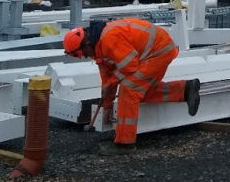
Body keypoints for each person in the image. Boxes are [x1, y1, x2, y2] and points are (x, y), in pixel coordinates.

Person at [63, 19, 201, 154]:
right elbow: (107, 79)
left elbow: (129, 67)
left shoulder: (109, 39)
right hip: (152, 52)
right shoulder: (98, 47)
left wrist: (111, 84)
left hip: (157, 52)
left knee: (129, 90)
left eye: (81, 54)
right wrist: (107, 105)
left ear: (86, 44)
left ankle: (125, 144)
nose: (84, 57)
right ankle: (185, 89)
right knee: (140, 90)